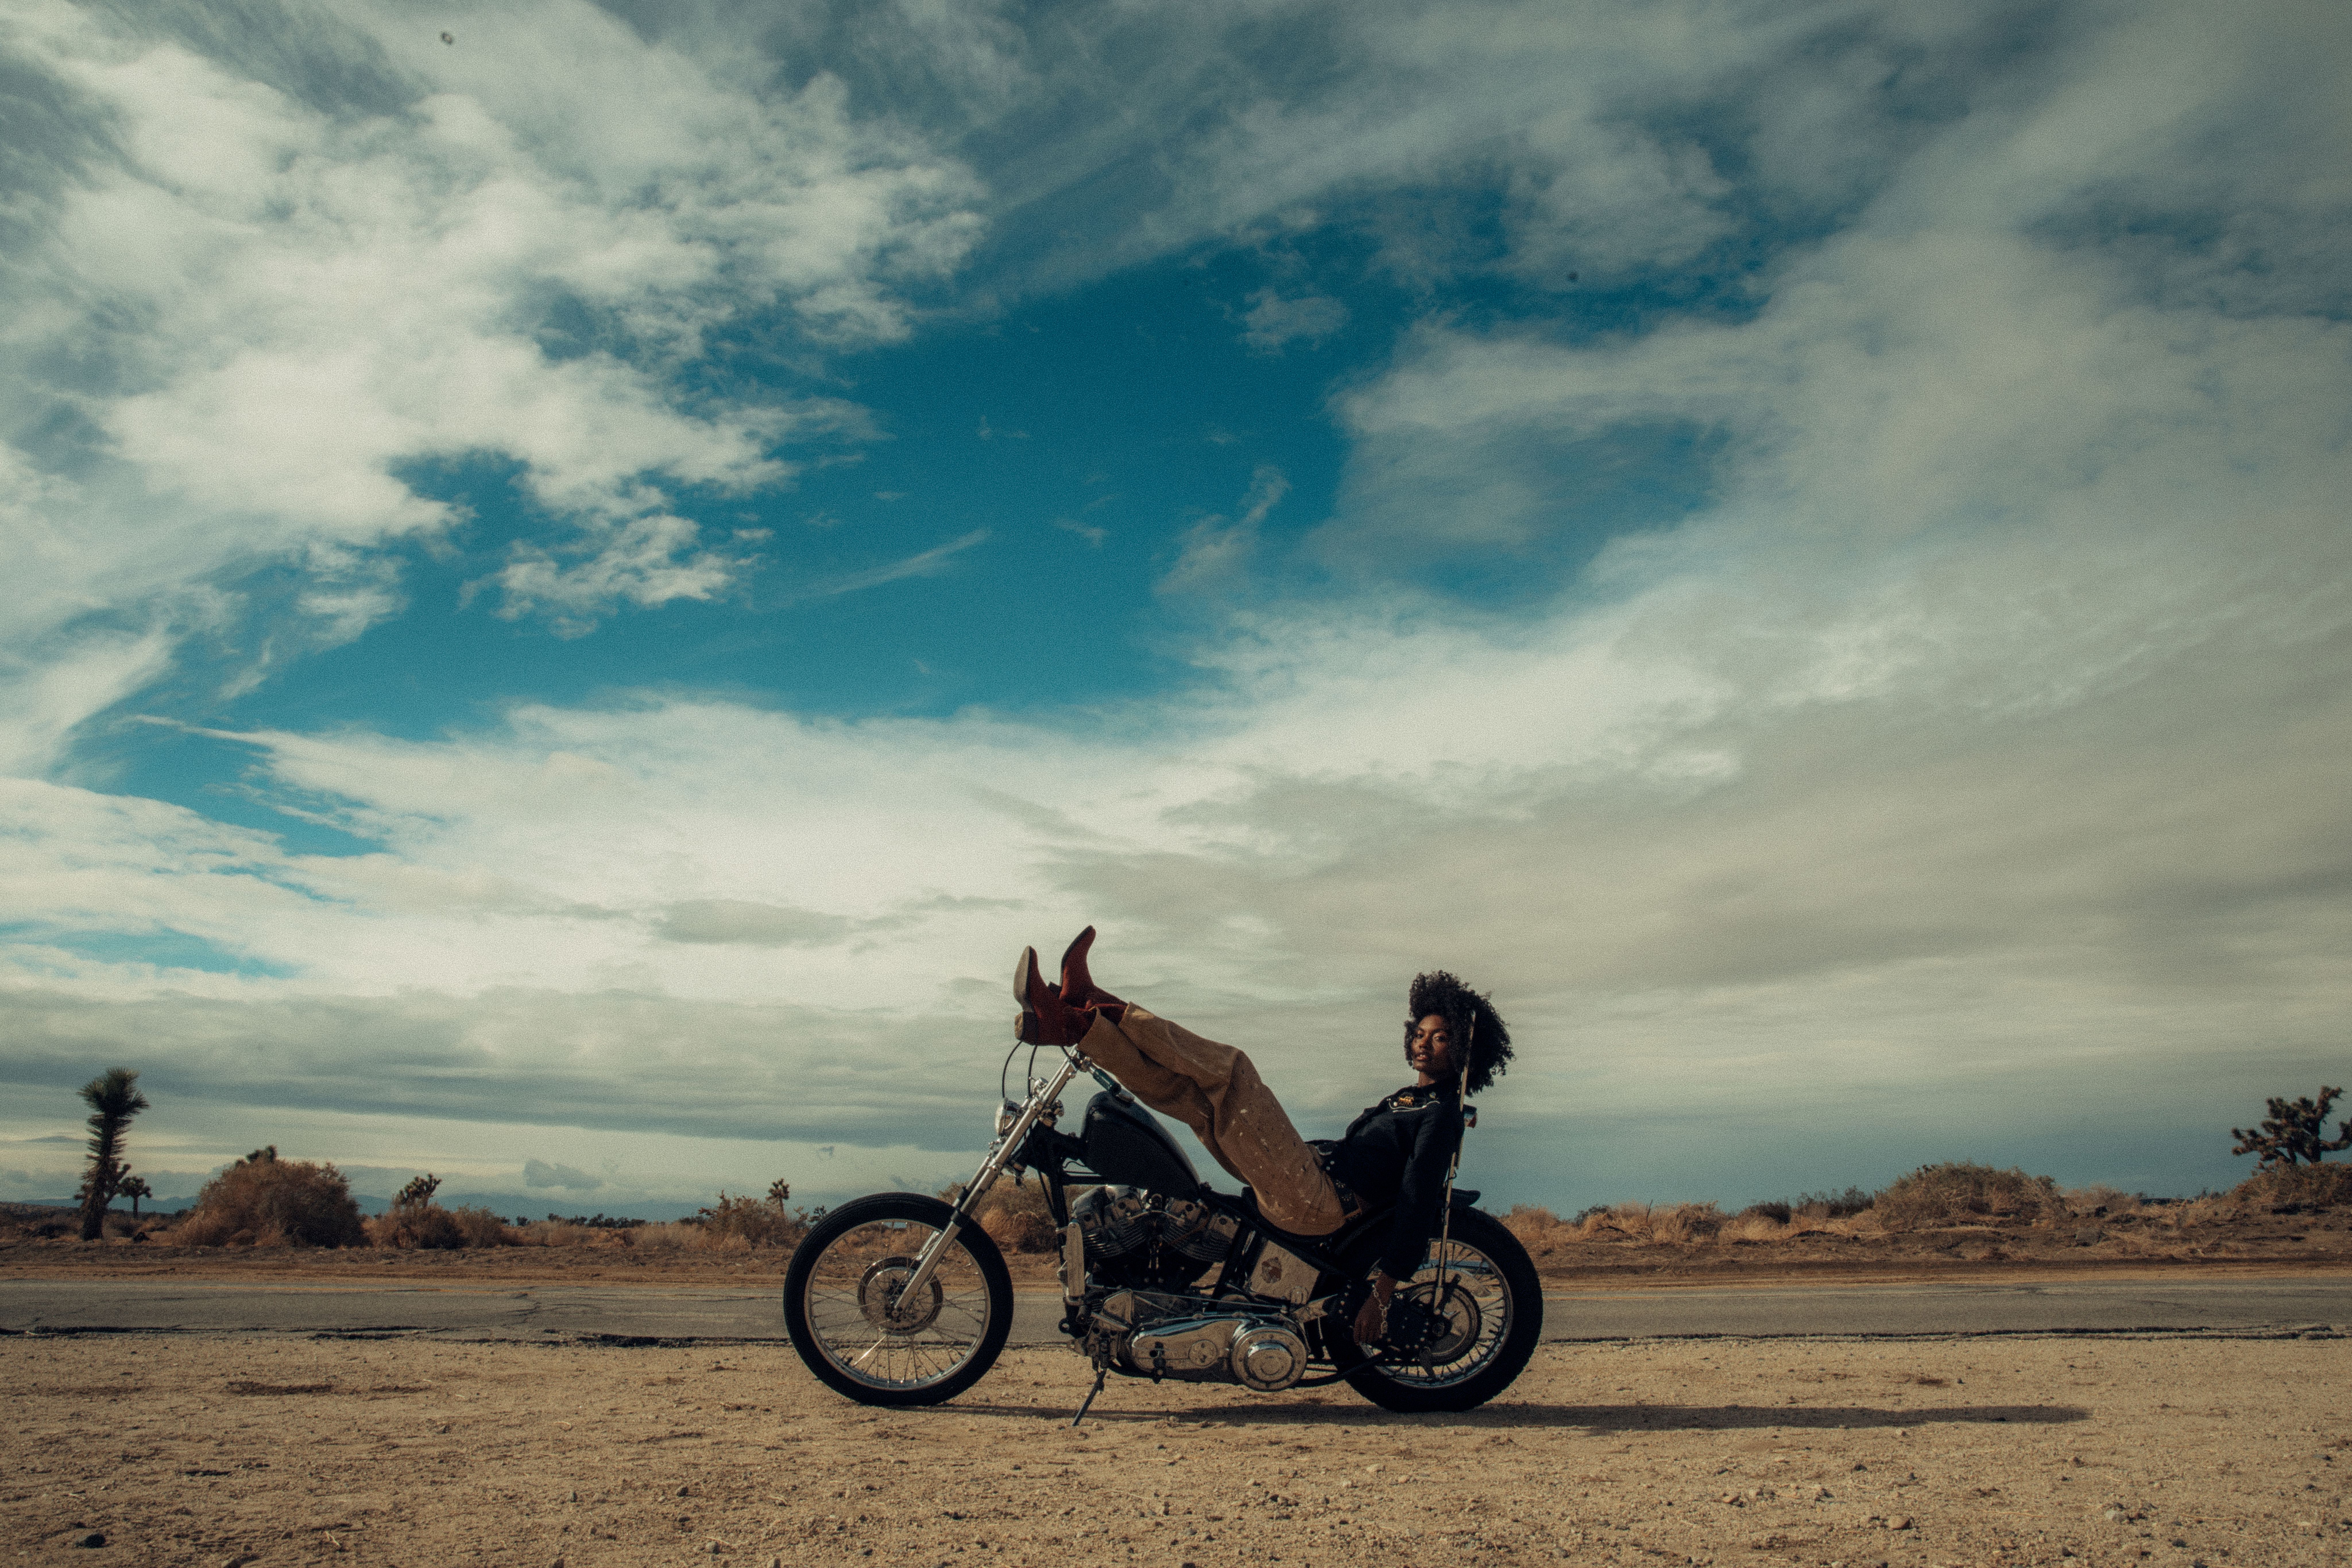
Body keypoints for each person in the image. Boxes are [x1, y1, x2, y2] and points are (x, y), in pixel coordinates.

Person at [1014, 928, 1513, 1348]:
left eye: (1442, 1037)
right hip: (1309, 1180)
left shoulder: (1443, 1113)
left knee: (1232, 1071)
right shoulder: (1409, 1099)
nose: (1425, 1043)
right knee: (1191, 1095)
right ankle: (1082, 1026)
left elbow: (1420, 1195)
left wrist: (1384, 1292)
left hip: (1314, 1199)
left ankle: (1094, 1007)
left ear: (1466, 1050)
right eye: (1421, 1033)